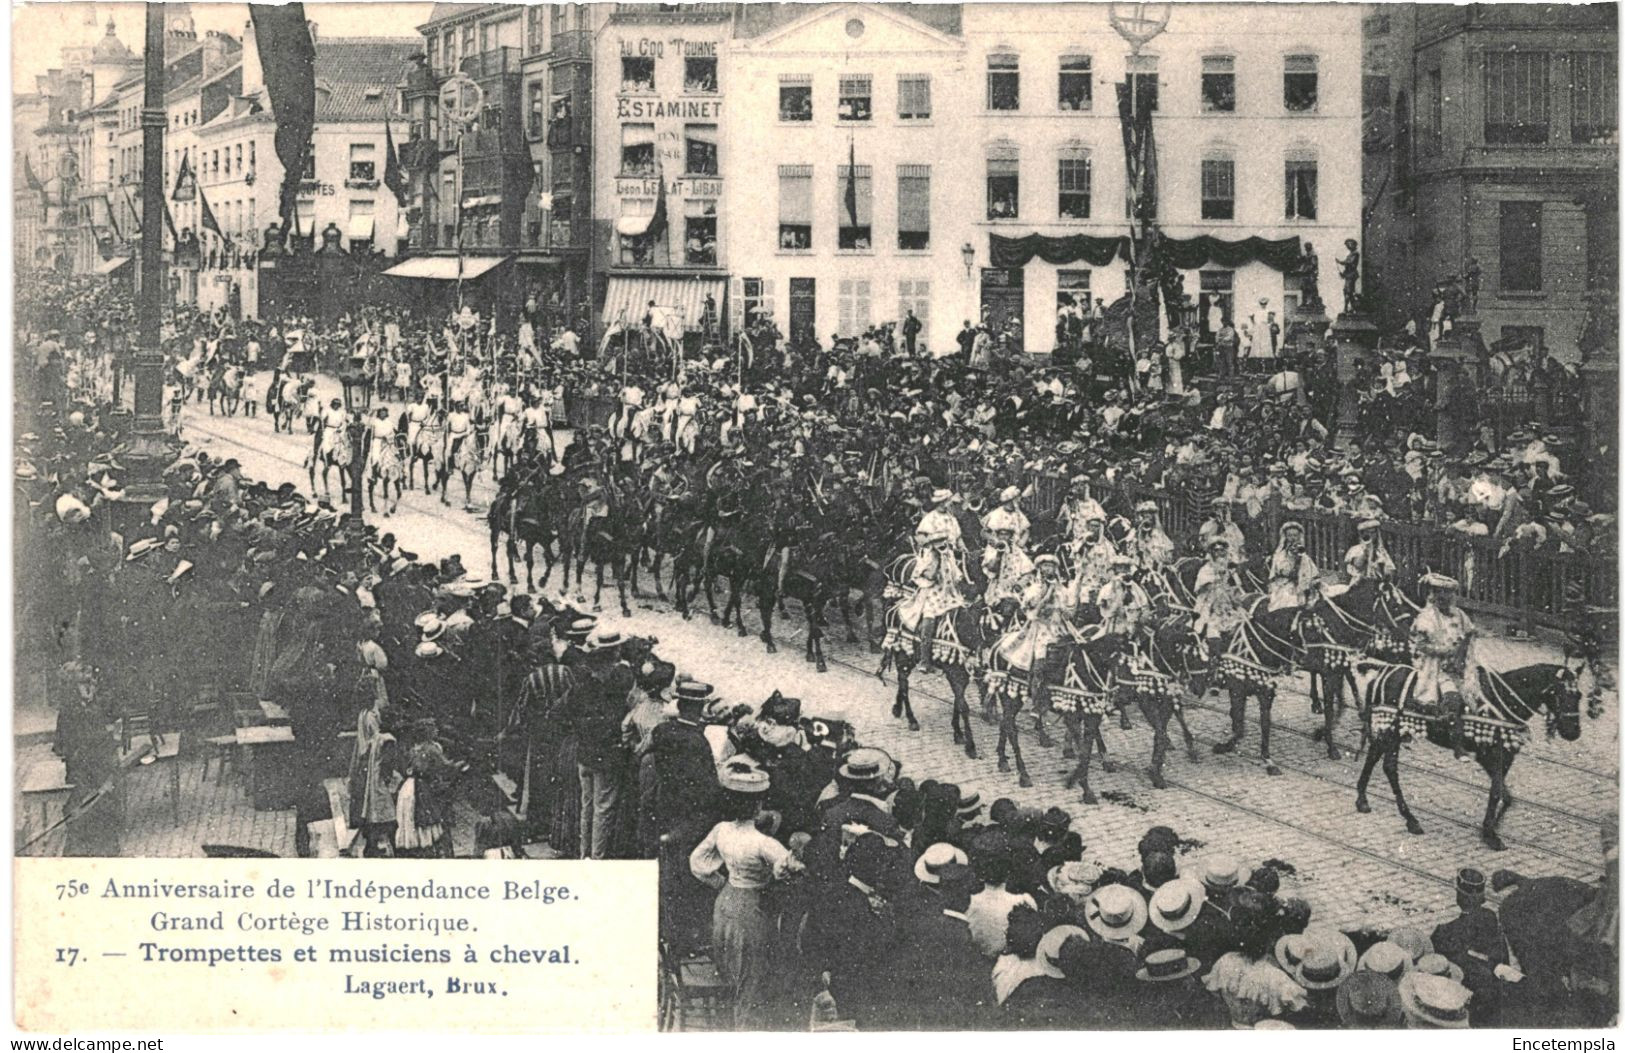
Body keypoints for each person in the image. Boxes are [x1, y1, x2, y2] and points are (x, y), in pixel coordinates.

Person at [689, 759, 805, 1029]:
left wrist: (722, 884)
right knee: (750, 979)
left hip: (726, 902)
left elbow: (697, 862)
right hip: (752, 909)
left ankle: (724, 1024)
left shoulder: (721, 830)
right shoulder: (764, 843)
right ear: (757, 805)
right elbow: (787, 868)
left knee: (729, 966)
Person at [1410, 573, 1477, 761]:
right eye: (1440, 593)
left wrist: (1462, 652)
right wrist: (1445, 651)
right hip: (1435, 667)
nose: (1445, 598)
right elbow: (1421, 645)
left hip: (1460, 665)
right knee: (1453, 699)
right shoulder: (1427, 617)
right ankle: (1457, 746)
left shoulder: (1459, 615)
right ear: (1434, 595)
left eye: (1449, 594)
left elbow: (1469, 634)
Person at [1267, 521, 1321, 611]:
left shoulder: (1304, 558)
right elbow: (1274, 574)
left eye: (1295, 535)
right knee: (1287, 600)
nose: (1292, 538)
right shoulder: (1279, 556)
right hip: (1284, 587)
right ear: (1285, 537)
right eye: (1290, 535)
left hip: (1301, 588)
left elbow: (1312, 574)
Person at [1344, 517, 1396, 587]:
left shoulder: (1381, 551)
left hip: (1377, 584)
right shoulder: (1355, 549)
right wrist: (1366, 550)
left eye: (1373, 532)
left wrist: (1384, 567)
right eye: (1367, 532)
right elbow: (1358, 565)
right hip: (1359, 585)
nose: (1371, 535)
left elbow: (1390, 570)